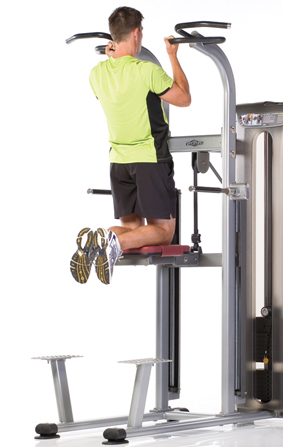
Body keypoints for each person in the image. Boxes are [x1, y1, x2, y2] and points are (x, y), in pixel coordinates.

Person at [71, 7, 191, 285]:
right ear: (136, 33)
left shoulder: (96, 74)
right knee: (163, 233)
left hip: (118, 163)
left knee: (135, 230)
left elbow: (119, 86)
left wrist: (112, 59)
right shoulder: (146, 70)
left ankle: (100, 238)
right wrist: (173, 56)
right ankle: (113, 242)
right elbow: (184, 98)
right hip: (149, 160)